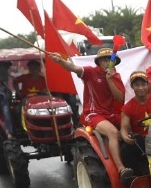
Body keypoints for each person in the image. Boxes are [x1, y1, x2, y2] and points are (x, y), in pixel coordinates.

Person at [49, 48, 129, 180]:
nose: (107, 63)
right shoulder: (91, 72)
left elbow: (120, 98)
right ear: (99, 62)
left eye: (110, 60)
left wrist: (110, 80)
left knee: (132, 127)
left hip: (110, 114)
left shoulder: (116, 76)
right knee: (113, 132)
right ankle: (121, 169)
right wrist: (61, 61)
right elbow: (74, 68)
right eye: (104, 60)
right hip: (93, 113)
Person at [119, 71, 151, 180]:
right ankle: (137, 177)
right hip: (142, 140)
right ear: (132, 87)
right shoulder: (128, 107)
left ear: (148, 85)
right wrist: (125, 137)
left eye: (143, 84)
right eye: (137, 85)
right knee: (126, 148)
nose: (141, 88)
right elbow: (123, 128)